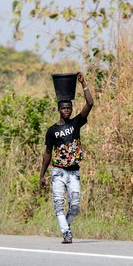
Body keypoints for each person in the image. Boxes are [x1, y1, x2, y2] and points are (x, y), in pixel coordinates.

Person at [40, 72, 94, 244]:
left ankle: (66, 228)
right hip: (58, 172)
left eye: (69, 108)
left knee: (75, 206)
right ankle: (66, 234)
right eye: (64, 108)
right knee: (58, 205)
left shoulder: (76, 122)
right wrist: (42, 175)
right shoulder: (52, 130)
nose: (67, 111)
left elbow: (90, 103)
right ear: (58, 109)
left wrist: (83, 83)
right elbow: (48, 153)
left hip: (73, 172)